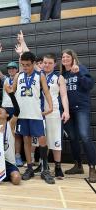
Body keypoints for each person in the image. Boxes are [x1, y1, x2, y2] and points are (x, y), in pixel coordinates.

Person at [13, 51, 55, 184]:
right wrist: (8, 88)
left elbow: (47, 92)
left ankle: (45, 169)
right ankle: (30, 168)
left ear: (34, 64)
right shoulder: (18, 76)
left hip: (36, 113)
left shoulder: (40, 75)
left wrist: (51, 106)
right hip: (23, 114)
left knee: (42, 140)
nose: (25, 67)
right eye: (23, 65)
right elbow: (12, 91)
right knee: (26, 139)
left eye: (28, 65)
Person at [61, 49, 96, 183]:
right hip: (68, 111)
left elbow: (89, 85)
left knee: (85, 136)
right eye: (63, 57)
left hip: (81, 108)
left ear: (73, 58)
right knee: (73, 138)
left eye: (67, 57)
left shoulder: (80, 68)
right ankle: (78, 165)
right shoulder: (63, 74)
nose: (65, 59)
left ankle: (92, 167)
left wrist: (79, 73)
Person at [43, 53, 70, 179]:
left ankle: (58, 167)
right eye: (45, 62)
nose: (47, 65)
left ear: (54, 64)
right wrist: (22, 45)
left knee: (55, 140)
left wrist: (66, 111)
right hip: (40, 112)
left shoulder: (59, 77)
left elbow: (64, 96)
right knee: (43, 140)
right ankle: (44, 165)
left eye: (49, 63)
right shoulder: (38, 75)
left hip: (54, 112)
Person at [0, 84, 21, 185]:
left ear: (7, 115)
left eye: (2, 110)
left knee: (16, 179)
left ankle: (6, 175)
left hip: (9, 162)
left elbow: (17, 111)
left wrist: (11, 94)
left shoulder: (10, 125)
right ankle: (2, 176)